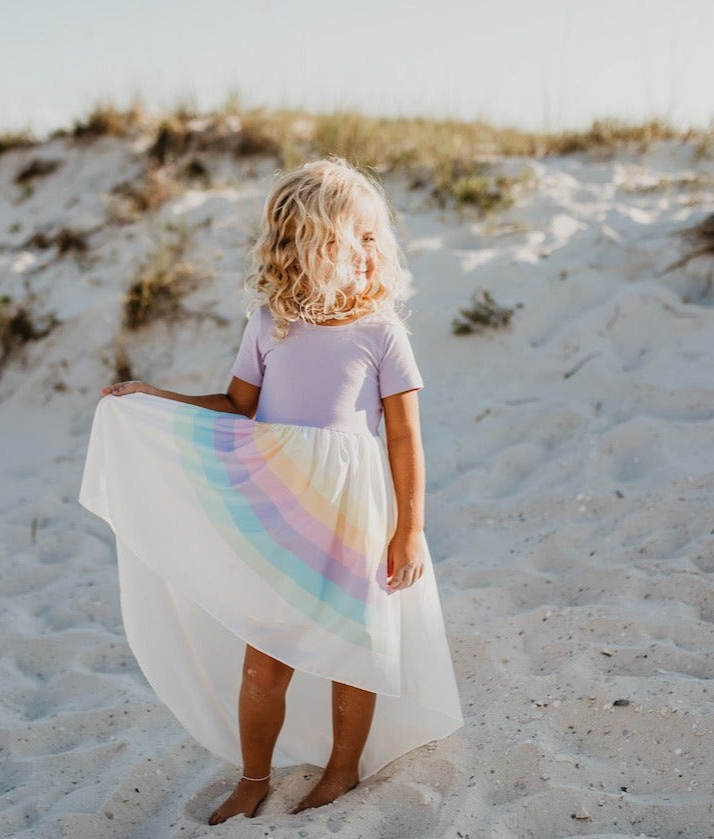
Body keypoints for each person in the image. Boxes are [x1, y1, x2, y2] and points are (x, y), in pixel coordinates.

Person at [79, 158, 462, 825]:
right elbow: (235, 404)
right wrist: (154, 397)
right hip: (279, 512)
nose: (371, 252)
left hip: (352, 514)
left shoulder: (381, 333)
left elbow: (404, 439)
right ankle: (253, 776)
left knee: (355, 649)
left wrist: (410, 527)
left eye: (374, 239)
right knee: (265, 663)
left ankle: (343, 767)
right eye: (356, 239)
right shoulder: (271, 323)